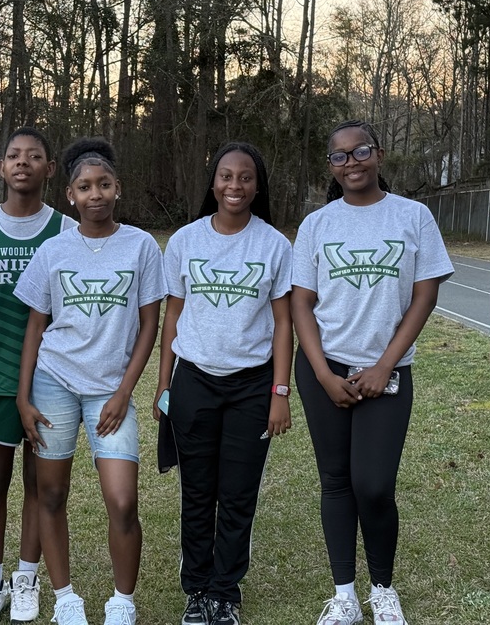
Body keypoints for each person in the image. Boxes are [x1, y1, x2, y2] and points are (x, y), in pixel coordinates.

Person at [291, 120, 453, 625]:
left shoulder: (413, 216)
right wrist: (321, 374)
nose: (351, 162)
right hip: (325, 368)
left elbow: (425, 294)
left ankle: (383, 589)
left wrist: (385, 365)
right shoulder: (317, 225)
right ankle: (345, 596)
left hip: (387, 371)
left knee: (375, 485)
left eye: (359, 151)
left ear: (378, 154)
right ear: (331, 167)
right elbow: (301, 303)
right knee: (336, 480)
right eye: (339, 156)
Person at [15, 138, 165, 625]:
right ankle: (65, 599)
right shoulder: (53, 249)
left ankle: (123, 602)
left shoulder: (141, 245)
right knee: (50, 494)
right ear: (70, 195)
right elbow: (36, 326)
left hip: (109, 390)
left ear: (117, 188)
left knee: (122, 499)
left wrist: (124, 393)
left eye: (103, 184)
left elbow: (149, 325)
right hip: (53, 382)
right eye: (85, 186)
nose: (95, 193)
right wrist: (23, 396)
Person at [154, 142, 293, 625]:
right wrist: (163, 385)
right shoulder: (185, 241)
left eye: (246, 178)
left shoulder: (274, 245)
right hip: (193, 380)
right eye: (226, 177)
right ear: (213, 182)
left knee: (237, 496)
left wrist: (280, 392)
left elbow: (283, 323)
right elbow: (172, 316)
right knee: (196, 493)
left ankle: (225, 593)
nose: (235, 186)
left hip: (251, 387)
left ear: (258, 186)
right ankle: (196, 590)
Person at [0, 127, 77, 624]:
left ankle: (26, 577)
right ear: (1, 167)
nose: (22, 163)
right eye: (13, 156)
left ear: (51, 169)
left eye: (34, 157)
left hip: (50, 378)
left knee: (40, 485)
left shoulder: (67, 231)